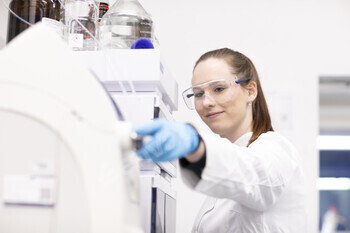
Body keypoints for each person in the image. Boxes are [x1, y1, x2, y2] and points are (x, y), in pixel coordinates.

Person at [135, 48, 307, 233]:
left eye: (218, 89)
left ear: (250, 91)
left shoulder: (276, 149)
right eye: (198, 94)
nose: (206, 102)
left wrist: (196, 146)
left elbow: (255, 174)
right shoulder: (226, 168)